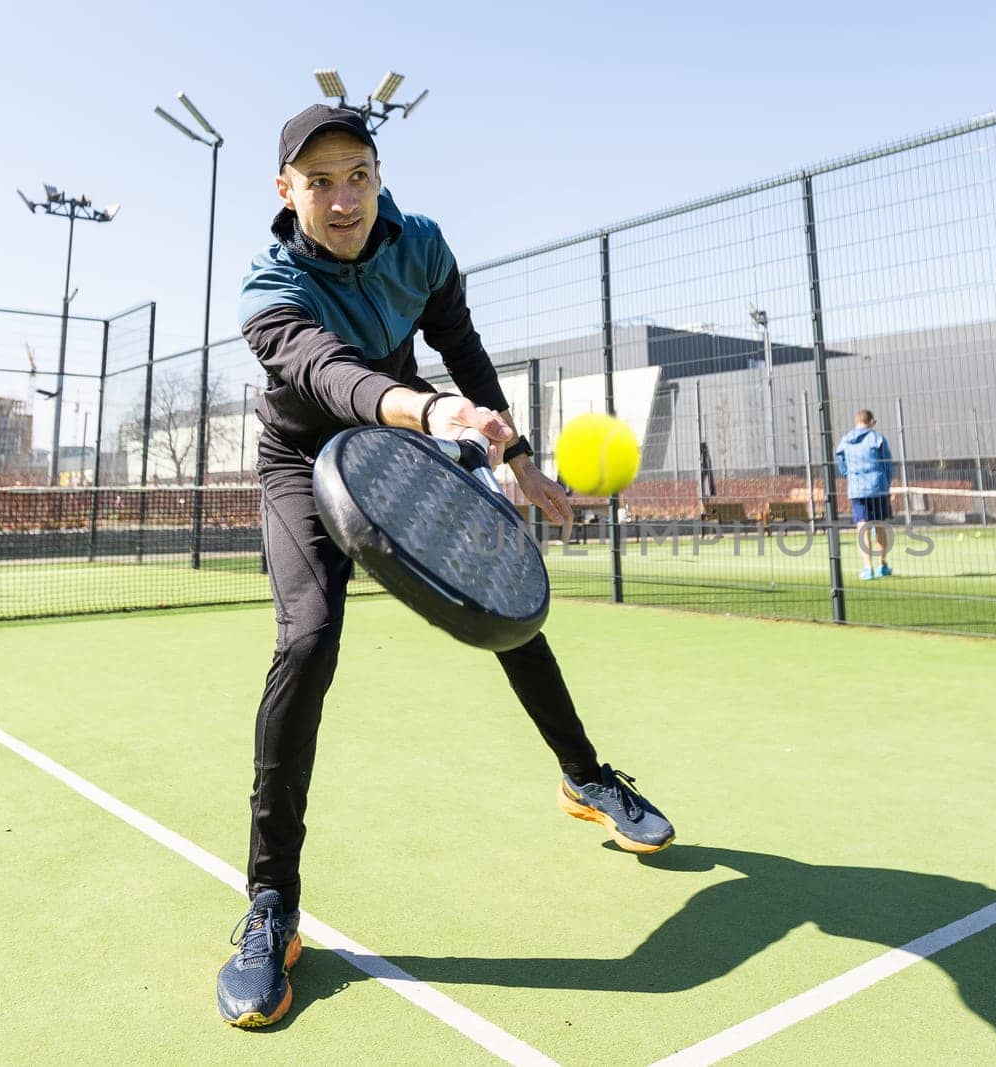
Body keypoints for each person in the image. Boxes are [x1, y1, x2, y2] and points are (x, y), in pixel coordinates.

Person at [216, 105, 674, 1028]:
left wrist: (519, 458)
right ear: (285, 191)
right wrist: (432, 415)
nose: (342, 199)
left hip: (411, 436)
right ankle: (272, 905)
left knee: (506, 599)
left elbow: (459, 343)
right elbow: (328, 372)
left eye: (358, 175)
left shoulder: (420, 244)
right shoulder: (268, 288)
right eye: (319, 182)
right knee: (306, 642)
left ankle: (585, 776)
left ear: (379, 174)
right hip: (309, 458)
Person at [835, 409, 894, 579]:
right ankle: (882, 565)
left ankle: (868, 568)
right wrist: (886, 483)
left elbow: (840, 459)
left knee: (862, 527)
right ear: (870, 422)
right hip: (878, 487)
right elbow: (887, 464)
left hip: (857, 489)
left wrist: (849, 474)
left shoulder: (845, 440)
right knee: (880, 525)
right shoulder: (877, 439)